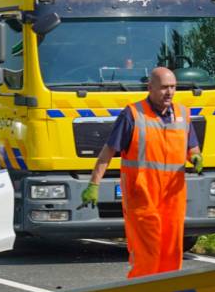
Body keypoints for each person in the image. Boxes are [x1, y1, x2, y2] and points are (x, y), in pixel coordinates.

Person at [81, 67, 200, 278]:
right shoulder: (133, 115)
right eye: (164, 87)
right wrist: (94, 184)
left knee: (172, 248)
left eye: (173, 87)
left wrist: (196, 157)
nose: (169, 92)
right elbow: (108, 152)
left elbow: (191, 148)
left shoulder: (183, 113)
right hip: (142, 194)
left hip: (173, 196)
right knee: (148, 249)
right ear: (150, 88)